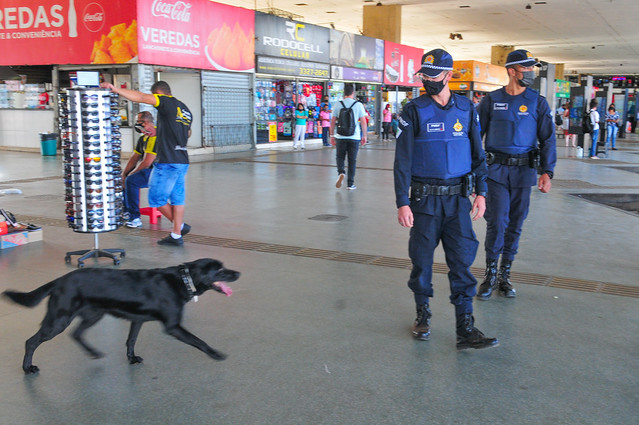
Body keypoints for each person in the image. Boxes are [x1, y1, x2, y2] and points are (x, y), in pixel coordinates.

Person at [394, 48, 498, 350]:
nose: (427, 80)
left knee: (462, 264)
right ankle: (422, 313)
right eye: (423, 75)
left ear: (448, 76)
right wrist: (402, 201)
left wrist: (482, 193)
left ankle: (465, 329)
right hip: (424, 202)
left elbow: (479, 156)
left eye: (433, 75)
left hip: (458, 203)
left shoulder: (467, 109)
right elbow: (402, 161)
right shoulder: (412, 110)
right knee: (422, 262)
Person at [476, 49, 557, 300]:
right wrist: (472, 172)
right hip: (495, 172)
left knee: (516, 223)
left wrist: (547, 171)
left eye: (532, 69)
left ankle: (505, 275)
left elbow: (548, 138)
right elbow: (474, 136)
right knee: (497, 221)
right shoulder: (491, 100)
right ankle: (489, 274)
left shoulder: (538, 101)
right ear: (512, 71)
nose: (531, 73)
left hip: (524, 172)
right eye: (526, 69)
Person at [102, 80, 192, 246]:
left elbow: (141, 97)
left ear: (158, 93)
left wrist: (115, 89)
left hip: (167, 161)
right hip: (182, 160)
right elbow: (188, 132)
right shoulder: (185, 110)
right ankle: (176, 234)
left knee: (156, 199)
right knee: (177, 199)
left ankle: (179, 227)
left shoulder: (165, 102)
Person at [122, 111, 157, 228]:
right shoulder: (143, 138)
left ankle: (135, 217)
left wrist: (130, 175)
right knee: (123, 179)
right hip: (149, 171)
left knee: (131, 181)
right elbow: (134, 158)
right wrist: (124, 174)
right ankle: (126, 211)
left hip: (158, 172)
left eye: (139, 123)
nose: (137, 126)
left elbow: (147, 162)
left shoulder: (155, 136)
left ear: (146, 122)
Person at [330, 83, 367, 190]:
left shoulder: (338, 104)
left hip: (340, 136)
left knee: (340, 157)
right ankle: (350, 184)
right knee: (352, 160)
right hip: (354, 137)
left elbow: (332, 122)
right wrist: (364, 136)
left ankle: (341, 172)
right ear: (353, 93)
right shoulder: (358, 104)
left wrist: (332, 135)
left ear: (344, 93)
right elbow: (363, 122)